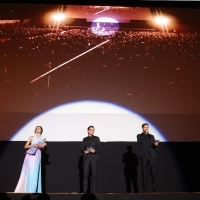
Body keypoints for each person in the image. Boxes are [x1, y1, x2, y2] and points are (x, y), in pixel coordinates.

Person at [14, 126, 47, 193]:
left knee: (35, 170)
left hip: (37, 153)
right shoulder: (31, 137)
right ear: (35, 130)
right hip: (30, 154)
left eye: (39, 128)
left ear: (41, 130)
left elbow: (43, 149)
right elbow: (25, 146)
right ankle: (25, 188)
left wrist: (44, 146)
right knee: (28, 170)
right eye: (37, 128)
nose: (38, 129)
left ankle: (33, 190)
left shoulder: (43, 139)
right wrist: (33, 145)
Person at [137, 123, 159, 193]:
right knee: (144, 173)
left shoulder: (152, 136)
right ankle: (145, 190)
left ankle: (155, 189)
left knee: (153, 173)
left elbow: (153, 146)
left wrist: (155, 145)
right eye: (145, 127)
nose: (147, 128)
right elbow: (140, 142)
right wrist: (145, 134)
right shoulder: (139, 136)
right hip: (143, 156)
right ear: (142, 128)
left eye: (148, 127)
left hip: (151, 155)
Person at [81, 125, 101, 193]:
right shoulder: (84, 139)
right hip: (86, 158)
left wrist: (94, 151)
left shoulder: (97, 138)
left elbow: (100, 148)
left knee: (94, 175)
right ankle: (85, 192)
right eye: (91, 130)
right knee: (85, 175)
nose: (92, 131)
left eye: (93, 130)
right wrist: (84, 151)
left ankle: (94, 192)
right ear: (88, 131)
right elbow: (82, 149)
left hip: (94, 158)